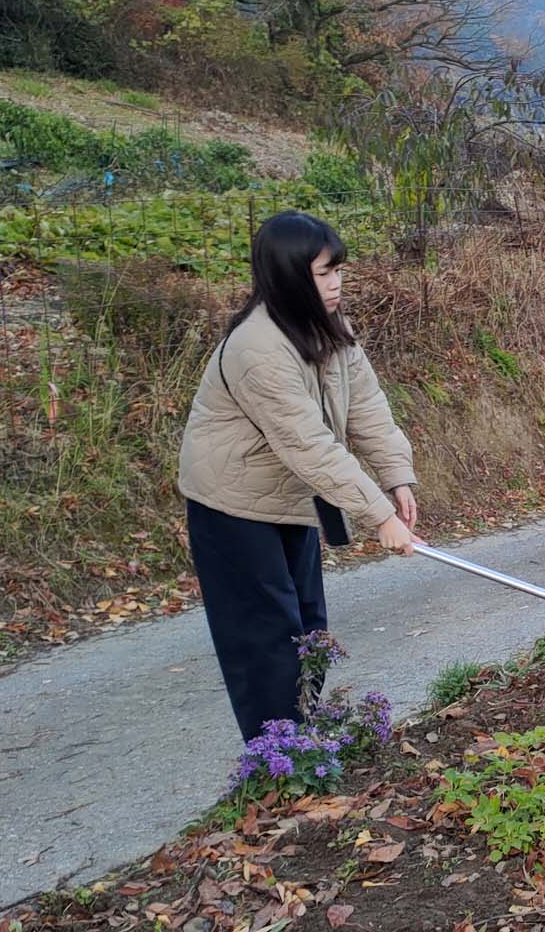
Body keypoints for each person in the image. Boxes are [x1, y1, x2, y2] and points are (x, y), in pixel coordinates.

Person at [177, 211, 419, 743]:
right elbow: (307, 442)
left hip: (289, 494)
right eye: (323, 274)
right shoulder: (257, 347)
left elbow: (367, 408)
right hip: (232, 503)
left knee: (309, 626)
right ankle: (275, 758)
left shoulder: (331, 326)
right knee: (266, 635)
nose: (336, 284)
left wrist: (397, 477)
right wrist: (377, 514)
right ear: (288, 276)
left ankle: (305, 741)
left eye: (339, 271)